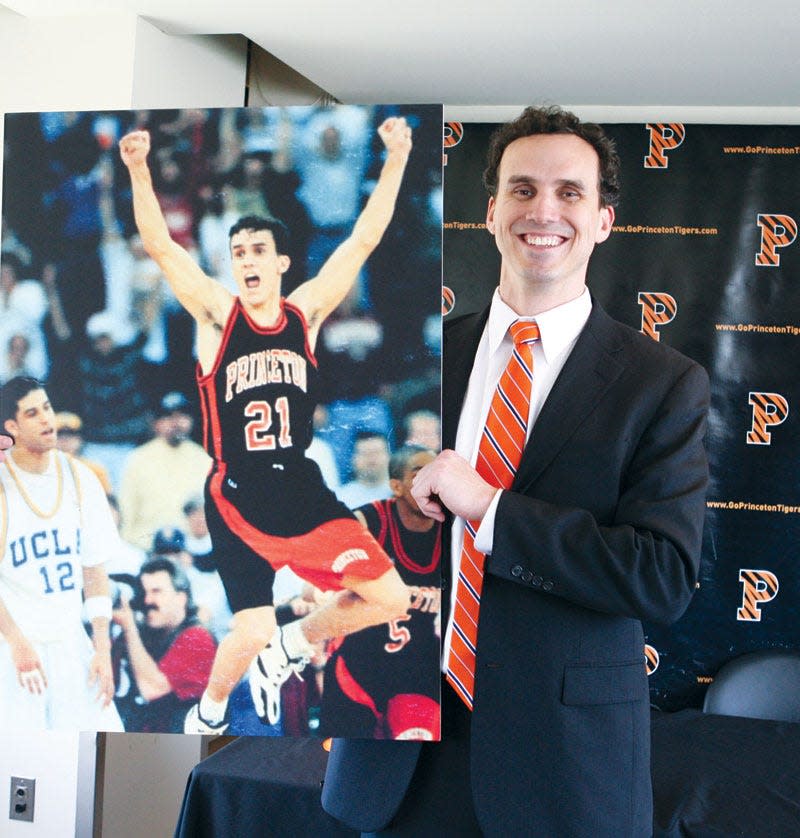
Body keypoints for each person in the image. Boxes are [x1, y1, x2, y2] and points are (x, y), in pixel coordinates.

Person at [322, 106, 710, 836]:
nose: (545, 210)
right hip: (396, 750)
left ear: (602, 220)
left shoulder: (662, 383)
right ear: (492, 209)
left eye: (571, 193)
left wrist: (490, 510)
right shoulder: (416, 361)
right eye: (523, 189)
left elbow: (661, 577)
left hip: (561, 769)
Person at [119, 115, 415, 735]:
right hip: (236, 490)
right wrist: (139, 170)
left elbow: (362, 241)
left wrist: (396, 158)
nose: (246, 262)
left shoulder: (304, 312)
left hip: (299, 488)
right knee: (249, 627)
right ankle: (211, 708)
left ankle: (291, 646)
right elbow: (161, 246)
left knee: (389, 596)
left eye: (257, 251)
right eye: (237, 254)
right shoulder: (216, 314)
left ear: (281, 261)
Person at [0, 376, 123, 732]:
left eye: (48, 408)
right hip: (15, 645)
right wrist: (16, 641)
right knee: (18, 759)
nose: (46, 420)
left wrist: (101, 646)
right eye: (33, 413)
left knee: (99, 741)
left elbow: (95, 568)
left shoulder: (80, 477)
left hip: (71, 640)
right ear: (12, 426)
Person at [320, 445, 441, 740]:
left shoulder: (457, 528)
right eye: (419, 473)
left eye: (437, 473)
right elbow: (321, 570)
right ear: (396, 487)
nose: (433, 482)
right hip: (361, 669)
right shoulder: (368, 521)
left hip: (418, 677)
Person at [111, 555, 216, 732]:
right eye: (144, 592)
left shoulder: (197, 638)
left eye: (156, 592)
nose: (147, 601)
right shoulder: (146, 634)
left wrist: (129, 628)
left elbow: (152, 688)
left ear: (181, 598)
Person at [118, 391, 211, 550]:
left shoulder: (204, 459)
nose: (176, 423)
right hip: (147, 549)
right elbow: (126, 513)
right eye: (168, 417)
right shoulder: (137, 459)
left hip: (192, 550)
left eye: (182, 416)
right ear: (155, 423)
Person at [336, 430, 392, 509]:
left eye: (376, 452)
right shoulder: (341, 498)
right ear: (353, 459)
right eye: (365, 453)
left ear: (389, 456)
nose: (371, 459)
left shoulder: (402, 493)